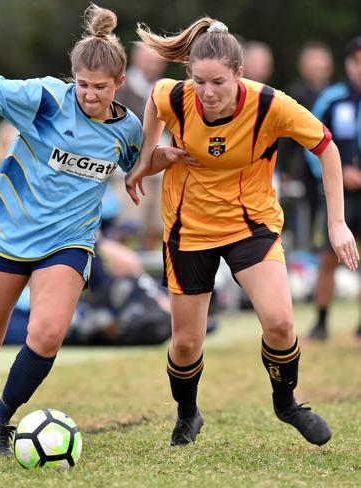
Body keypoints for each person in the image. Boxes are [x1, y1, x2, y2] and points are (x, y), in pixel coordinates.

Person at [0, 4, 191, 456]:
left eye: (99, 88)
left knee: (47, 334)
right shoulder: (47, 98)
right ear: (72, 79)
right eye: (82, 85)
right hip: (7, 233)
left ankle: (1, 420)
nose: (89, 94)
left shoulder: (126, 128)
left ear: (119, 84)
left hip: (68, 242)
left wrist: (175, 154)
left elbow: (139, 162)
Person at [127, 17, 358, 447]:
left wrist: (336, 222)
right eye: (199, 81)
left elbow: (327, 148)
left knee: (280, 321)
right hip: (187, 227)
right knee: (185, 343)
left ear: (240, 74)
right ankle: (188, 414)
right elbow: (155, 106)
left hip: (250, 225)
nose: (208, 92)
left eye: (218, 82)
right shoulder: (173, 96)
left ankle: (286, 403)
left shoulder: (271, 105)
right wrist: (147, 155)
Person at [307, 37, 361, 341]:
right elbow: (310, 143)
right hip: (337, 194)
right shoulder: (331, 99)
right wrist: (337, 175)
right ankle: (320, 321)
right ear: (349, 63)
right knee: (328, 257)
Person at [114, 44, 169, 250]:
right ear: (137, 60)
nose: (154, 65)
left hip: (159, 167)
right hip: (129, 165)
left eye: (157, 61)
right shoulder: (123, 88)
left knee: (154, 225)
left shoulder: (162, 88)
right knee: (127, 223)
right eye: (150, 60)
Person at [280, 41, 334, 249]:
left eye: (321, 64)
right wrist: (284, 169)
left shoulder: (334, 95)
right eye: (313, 64)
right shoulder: (294, 94)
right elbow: (284, 138)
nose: (317, 69)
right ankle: (305, 252)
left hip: (330, 161)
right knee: (305, 213)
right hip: (303, 167)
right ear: (302, 66)